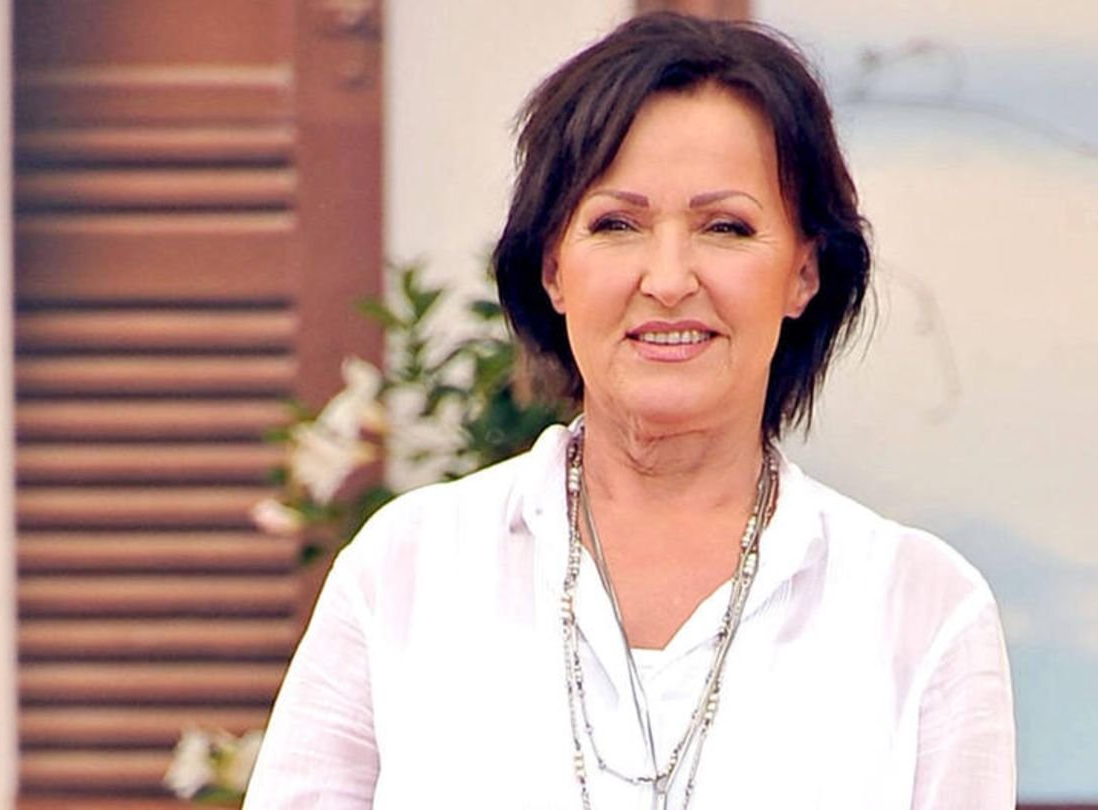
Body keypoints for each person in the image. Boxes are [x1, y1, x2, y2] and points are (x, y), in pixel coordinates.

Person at [244, 12, 1014, 809]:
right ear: (553, 267)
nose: (669, 279)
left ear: (804, 273)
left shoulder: (922, 610)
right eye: (617, 224)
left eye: (726, 227)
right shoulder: (409, 567)